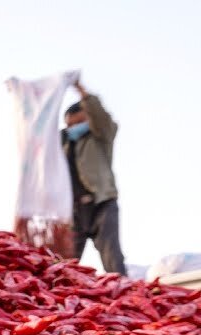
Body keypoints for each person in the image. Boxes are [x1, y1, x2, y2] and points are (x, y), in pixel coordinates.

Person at [63, 80, 125, 275]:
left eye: (79, 122)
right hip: (73, 208)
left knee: (112, 258)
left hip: (101, 202)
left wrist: (83, 93)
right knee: (64, 265)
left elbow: (99, 115)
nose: (73, 128)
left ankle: (127, 300)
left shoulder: (101, 134)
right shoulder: (64, 142)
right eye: (69, 125)